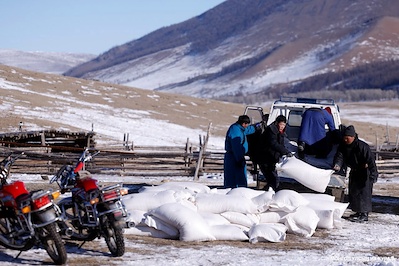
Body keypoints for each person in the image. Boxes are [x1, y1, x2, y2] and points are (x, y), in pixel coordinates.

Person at [333, 125, 378, 223]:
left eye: (347, 138)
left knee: (363, 193)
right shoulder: (343, 146)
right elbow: (339, 156)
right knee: (354, 192)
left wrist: (373, 175)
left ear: (352, 137)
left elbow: (371, 161)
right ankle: (358, 212)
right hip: (354, 171)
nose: (345, 140)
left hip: (364, 172)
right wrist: (337, 165)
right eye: (344, 138)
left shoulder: (362, 146)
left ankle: (364, 214)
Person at [258, 115, 292, 191]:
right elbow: (274, 144)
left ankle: (271, 192)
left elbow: (280, 144)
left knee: (272, 179)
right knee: (273, 179)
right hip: (265, 159)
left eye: (284, 124)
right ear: (277, 123)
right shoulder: (271, 131)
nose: (282, 126)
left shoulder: (280, 132)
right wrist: (285, 151)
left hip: (271, 159)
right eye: (281, 124)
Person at [223, 115, 256, 188]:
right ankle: (235, 195)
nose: (247, 126)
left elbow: (248, 130)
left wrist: (255, 127)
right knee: (233, 178)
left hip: (237, 156)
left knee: (240, 177)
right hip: (234, 157)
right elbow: (236, 147)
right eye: (247, 124)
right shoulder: (235, 130)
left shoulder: (240, 128)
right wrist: (239, 159)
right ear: (243, 124)